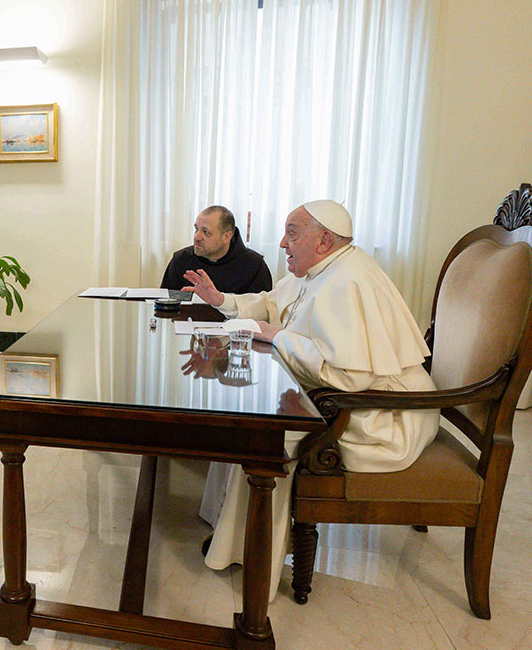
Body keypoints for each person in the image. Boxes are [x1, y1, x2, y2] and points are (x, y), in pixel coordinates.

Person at [184, 199, 439, 599]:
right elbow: (272, 303)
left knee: (269, 430)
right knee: (240, 404)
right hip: (350, 397)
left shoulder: (349, 280)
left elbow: (348, 376)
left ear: (324, 239)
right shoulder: (318, 269)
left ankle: (247, 552)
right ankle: (226, 529)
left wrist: (276, 336)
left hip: (382, 415)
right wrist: (221, 301)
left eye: (292, 233)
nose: (283, 243)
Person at [161, 205, 272, 294]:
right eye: (196, 229)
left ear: (226, 236)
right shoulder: (181, 260)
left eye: (206, 232)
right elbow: (165, 305)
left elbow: (262, 313)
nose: (197, 237)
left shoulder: (254, 265)